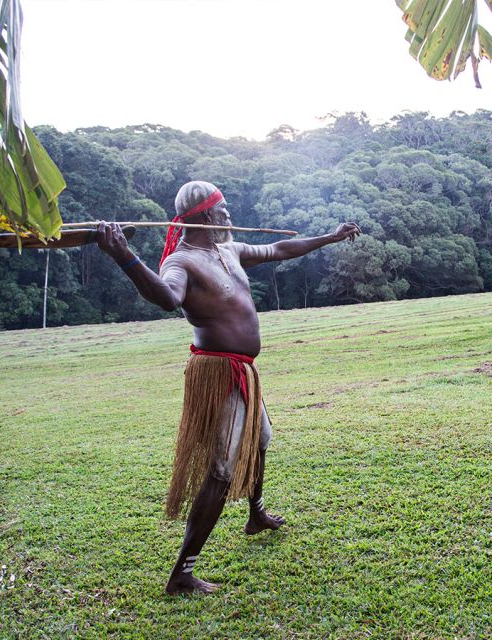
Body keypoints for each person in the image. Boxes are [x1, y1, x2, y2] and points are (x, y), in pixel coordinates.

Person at [96, 181, 360, 595]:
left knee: (260, 439)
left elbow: (280, 250)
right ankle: (182, 573)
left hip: (244, 371)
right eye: (223, 212)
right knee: (220, 471)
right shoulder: (181, 261)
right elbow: (167, 298)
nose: (230, 219)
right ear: (204, 216)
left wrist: (330, 237)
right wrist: (124, 256)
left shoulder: (227, 250)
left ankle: (255, 514)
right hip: (218, 375)